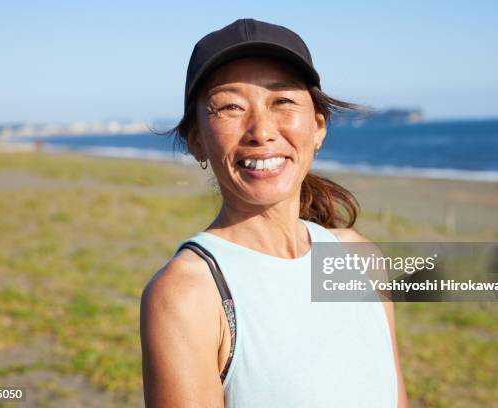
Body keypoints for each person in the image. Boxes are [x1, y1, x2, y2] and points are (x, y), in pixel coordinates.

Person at [140, 18, 408, 407]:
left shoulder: (360, 258)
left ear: (318, 127)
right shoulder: (188, 294)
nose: (261, 131)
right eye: (230, 107)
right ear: (196, 140)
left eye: (282, 101)